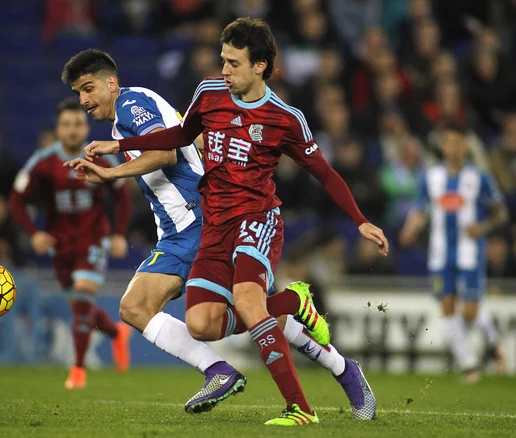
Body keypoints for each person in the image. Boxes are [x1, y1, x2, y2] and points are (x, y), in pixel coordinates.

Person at [65, 18, 387, 426]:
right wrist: (121, 148)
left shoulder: (134, 105)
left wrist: (359, 219)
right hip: (206, 221)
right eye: (223, 61)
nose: (224, 70)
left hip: (217, 220)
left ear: (261, 65)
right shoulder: (209, 93)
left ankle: (298, 404)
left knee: (226, 307)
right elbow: (182, 135)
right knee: (224, 318)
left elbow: (321, 171)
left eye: (87, 89)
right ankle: (322, 347)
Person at [60, 50, 247, 414]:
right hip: (184, 228)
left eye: (88, 88)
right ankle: (334, 362)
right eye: (77, 93)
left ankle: (221, 368)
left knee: (138, 307)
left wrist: (111, 171)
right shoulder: (130, 113)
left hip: (195, 223)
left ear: (111, 83)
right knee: (143, 308)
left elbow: (166, 153)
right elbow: (187, 142)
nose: (83, 100)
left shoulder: (132, 104)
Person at [9, 99, 133, 389]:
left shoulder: (100, 157)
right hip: (60, 244)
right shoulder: (43, 161)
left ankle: (77, 370)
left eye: (78, 124)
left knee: (81, 301)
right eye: (66, 124)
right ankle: (116, 333)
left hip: (93, 239)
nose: (72, 130)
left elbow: (123, 196)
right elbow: (16, 201)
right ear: (58, 128)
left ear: (86, 126)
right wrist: (33, 233)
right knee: (81, 307)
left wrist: (119, 234)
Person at [399, 122, 508, 382]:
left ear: (466, 146)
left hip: (470, 252)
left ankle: (494, 345)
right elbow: (419, 209)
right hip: (440, 254)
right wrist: (410, 228)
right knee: (447, 308)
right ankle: (470, 366)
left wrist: (482, 228)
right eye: (448, 142)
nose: (453, 147)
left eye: (458, 142)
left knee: (470, 311)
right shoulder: (431, 176)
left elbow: (500, 212)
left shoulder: (479, 177)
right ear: (443, 146)